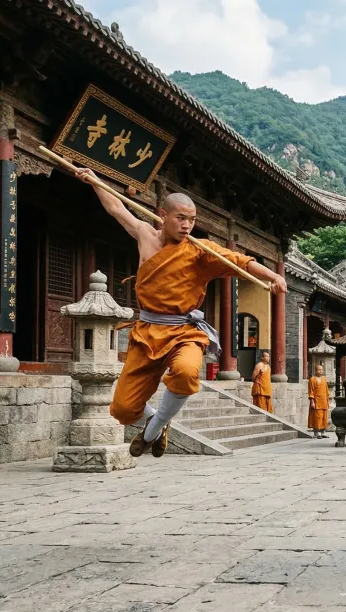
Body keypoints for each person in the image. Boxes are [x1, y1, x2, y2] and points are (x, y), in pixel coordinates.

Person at [79, 168, 287, 459]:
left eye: (192, 220)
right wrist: (94, 181)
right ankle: (154, 420)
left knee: (188, 371)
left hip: (183, 332)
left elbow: (243, 262)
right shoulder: (145, 235)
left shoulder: (201, 251)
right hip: (147, 332)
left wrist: (273, 277)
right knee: (123, 410)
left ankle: (156, 427)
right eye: (181, 218)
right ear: (164, 215)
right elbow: (116, 207)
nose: (187, 225)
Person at [307, 364, 329, 439]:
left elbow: (326, 391)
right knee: (317, 417)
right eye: (319, 370)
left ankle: (323, 432)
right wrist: (312, 402)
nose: (321, 371)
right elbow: (311, 391)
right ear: (315, 371)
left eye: (322, 370)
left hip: (324, 401)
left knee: (324, 417)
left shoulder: (324, 379)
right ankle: (316, 433)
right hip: (316, 401)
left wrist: (328, 400)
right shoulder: (312, 379)